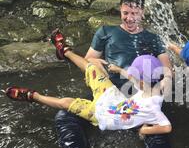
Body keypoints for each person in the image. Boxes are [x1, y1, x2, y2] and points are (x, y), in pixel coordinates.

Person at [33, 0, 188, 148]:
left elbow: (167, 70)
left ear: (143, 12)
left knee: (157, 131)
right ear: (120, 10)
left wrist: (162, 83)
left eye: (135, 13)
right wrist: (101, 62)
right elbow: (89, 60)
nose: (130, 18)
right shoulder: (107, 32)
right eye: (126, 13)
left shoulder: (153, 38)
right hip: (108, 93)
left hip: (142, 95)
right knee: (65, 115)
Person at [5, 46, 172, 135]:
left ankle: (33, 96)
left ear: (143, 82)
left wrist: (144, 130)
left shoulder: (153, 108)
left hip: (105, 116)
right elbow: (134, 78)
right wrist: (119, 70)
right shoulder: (156, 84)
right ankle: (65, 51)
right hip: (113, 99)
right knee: (93, 67)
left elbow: (166, 127)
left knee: (67, 103)